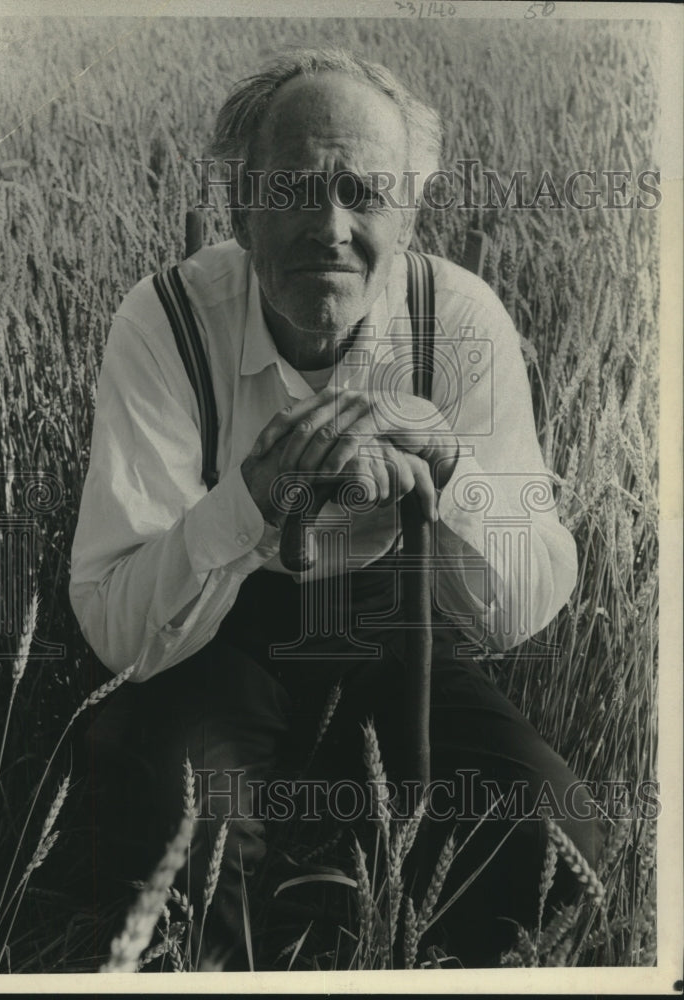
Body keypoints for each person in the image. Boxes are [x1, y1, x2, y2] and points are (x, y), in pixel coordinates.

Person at [69, 48, 603, 969]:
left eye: (364, 192)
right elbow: (118, 629)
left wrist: (451, 468)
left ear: (410, 213)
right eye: (295, 190)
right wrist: (252, 498)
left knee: (555, 842)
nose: (331, 225)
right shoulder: (164, 323)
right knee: (176, 846)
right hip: (221, 632)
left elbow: (524, 608)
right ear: (241, 209)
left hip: (401, 628)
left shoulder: (460, 320)